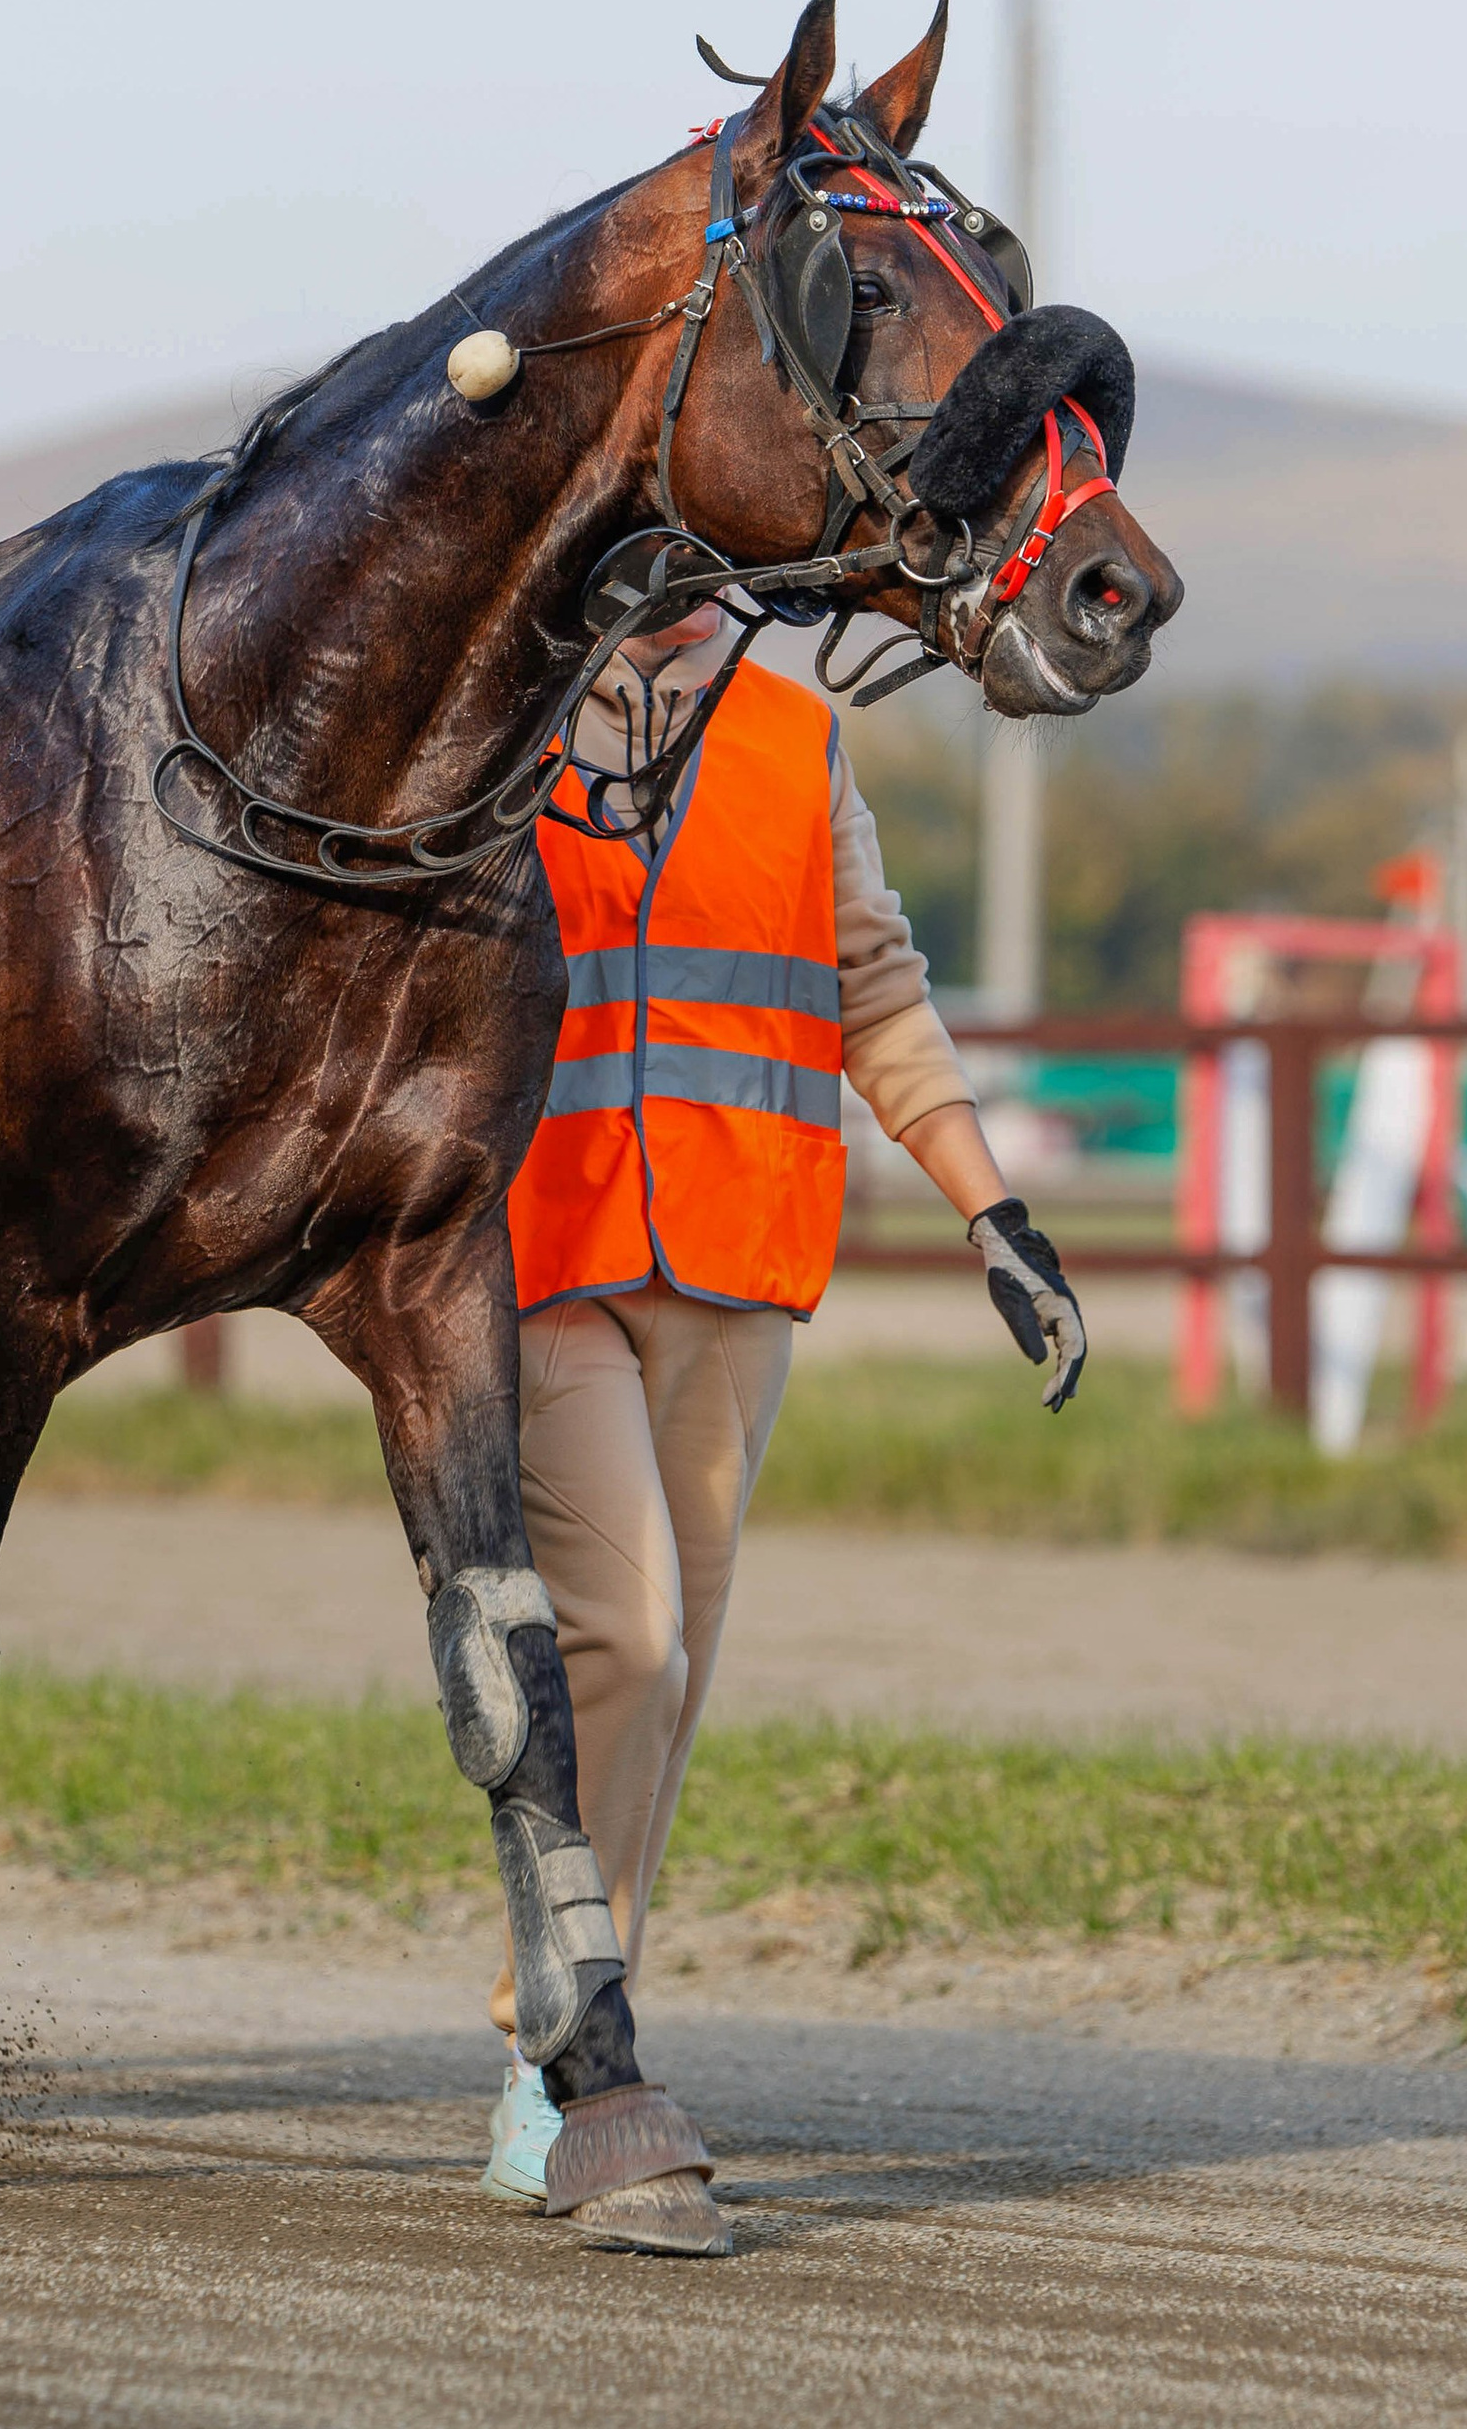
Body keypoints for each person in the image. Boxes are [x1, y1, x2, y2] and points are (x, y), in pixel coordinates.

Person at [480, 602, 1086, 2211]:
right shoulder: (505, 712)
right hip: (542, 1247)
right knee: (630, 1634)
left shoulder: (796, 737)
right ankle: (574, 2035)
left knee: (675, 1682)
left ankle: (563, 2019)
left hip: (736, 1264)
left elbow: (875, 993)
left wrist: (991, 1214)